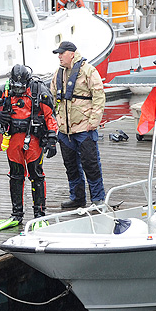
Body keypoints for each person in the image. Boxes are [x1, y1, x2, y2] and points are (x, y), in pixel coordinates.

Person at [0, 64, 58, 226]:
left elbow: (50, 115)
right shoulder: (4, 89)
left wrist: (52, 139)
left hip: (33, 139)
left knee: (36, 176)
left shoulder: (38, 91)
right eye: (16, 87)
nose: (18, 90)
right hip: (12, 140)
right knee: (16, 176)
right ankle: (16, 214)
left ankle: (39, 213)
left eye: (21, 87)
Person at [49, 41, 107, 209]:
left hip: (84, 128)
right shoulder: (58, 74)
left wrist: (93, 121)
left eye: (62, 53)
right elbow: (54, 96)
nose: (59, 56)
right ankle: (77, 198)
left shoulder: (88, 71)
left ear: (71, 54)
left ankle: (98, 198)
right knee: (71, 166)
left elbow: (99, 97)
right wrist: (57, 119)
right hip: (65, 130)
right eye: (58, 54)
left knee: (91, 163)